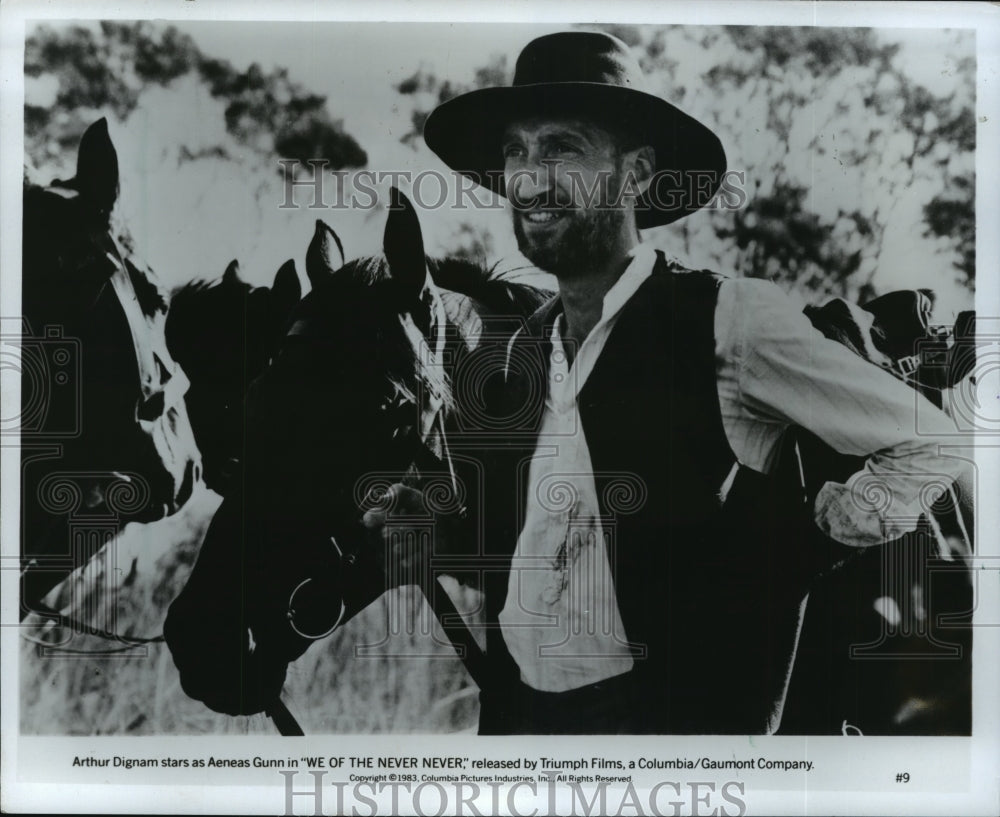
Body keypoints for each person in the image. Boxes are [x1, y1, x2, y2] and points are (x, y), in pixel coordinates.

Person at [371, 30, 971, 734]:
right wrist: (435, 525)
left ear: (635, 173)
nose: (530, 178)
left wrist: (811, 538)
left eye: (562, 147)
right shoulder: (527, 348)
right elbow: (539, 543)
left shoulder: (728, 319)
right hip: (520, 724)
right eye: (516, 151)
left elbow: (933, 441)